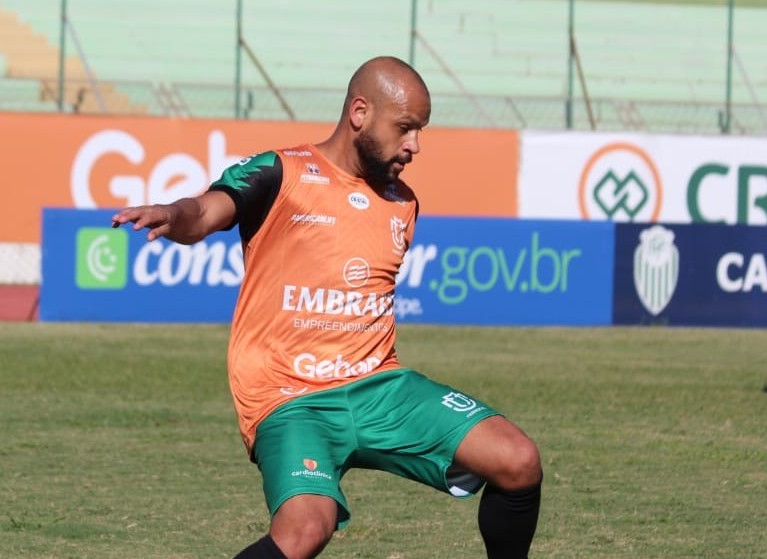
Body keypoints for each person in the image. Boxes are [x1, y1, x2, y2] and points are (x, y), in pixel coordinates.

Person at [111, 57, 542, 559]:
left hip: (379, 388)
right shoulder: (281, 172)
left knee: (518, 460)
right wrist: (172, 213)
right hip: (291, 398)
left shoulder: (404, 203)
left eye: (420, 131)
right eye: (405, 128)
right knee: (304, 531)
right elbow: (205, 212)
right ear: (360, 112)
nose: (415, 146)